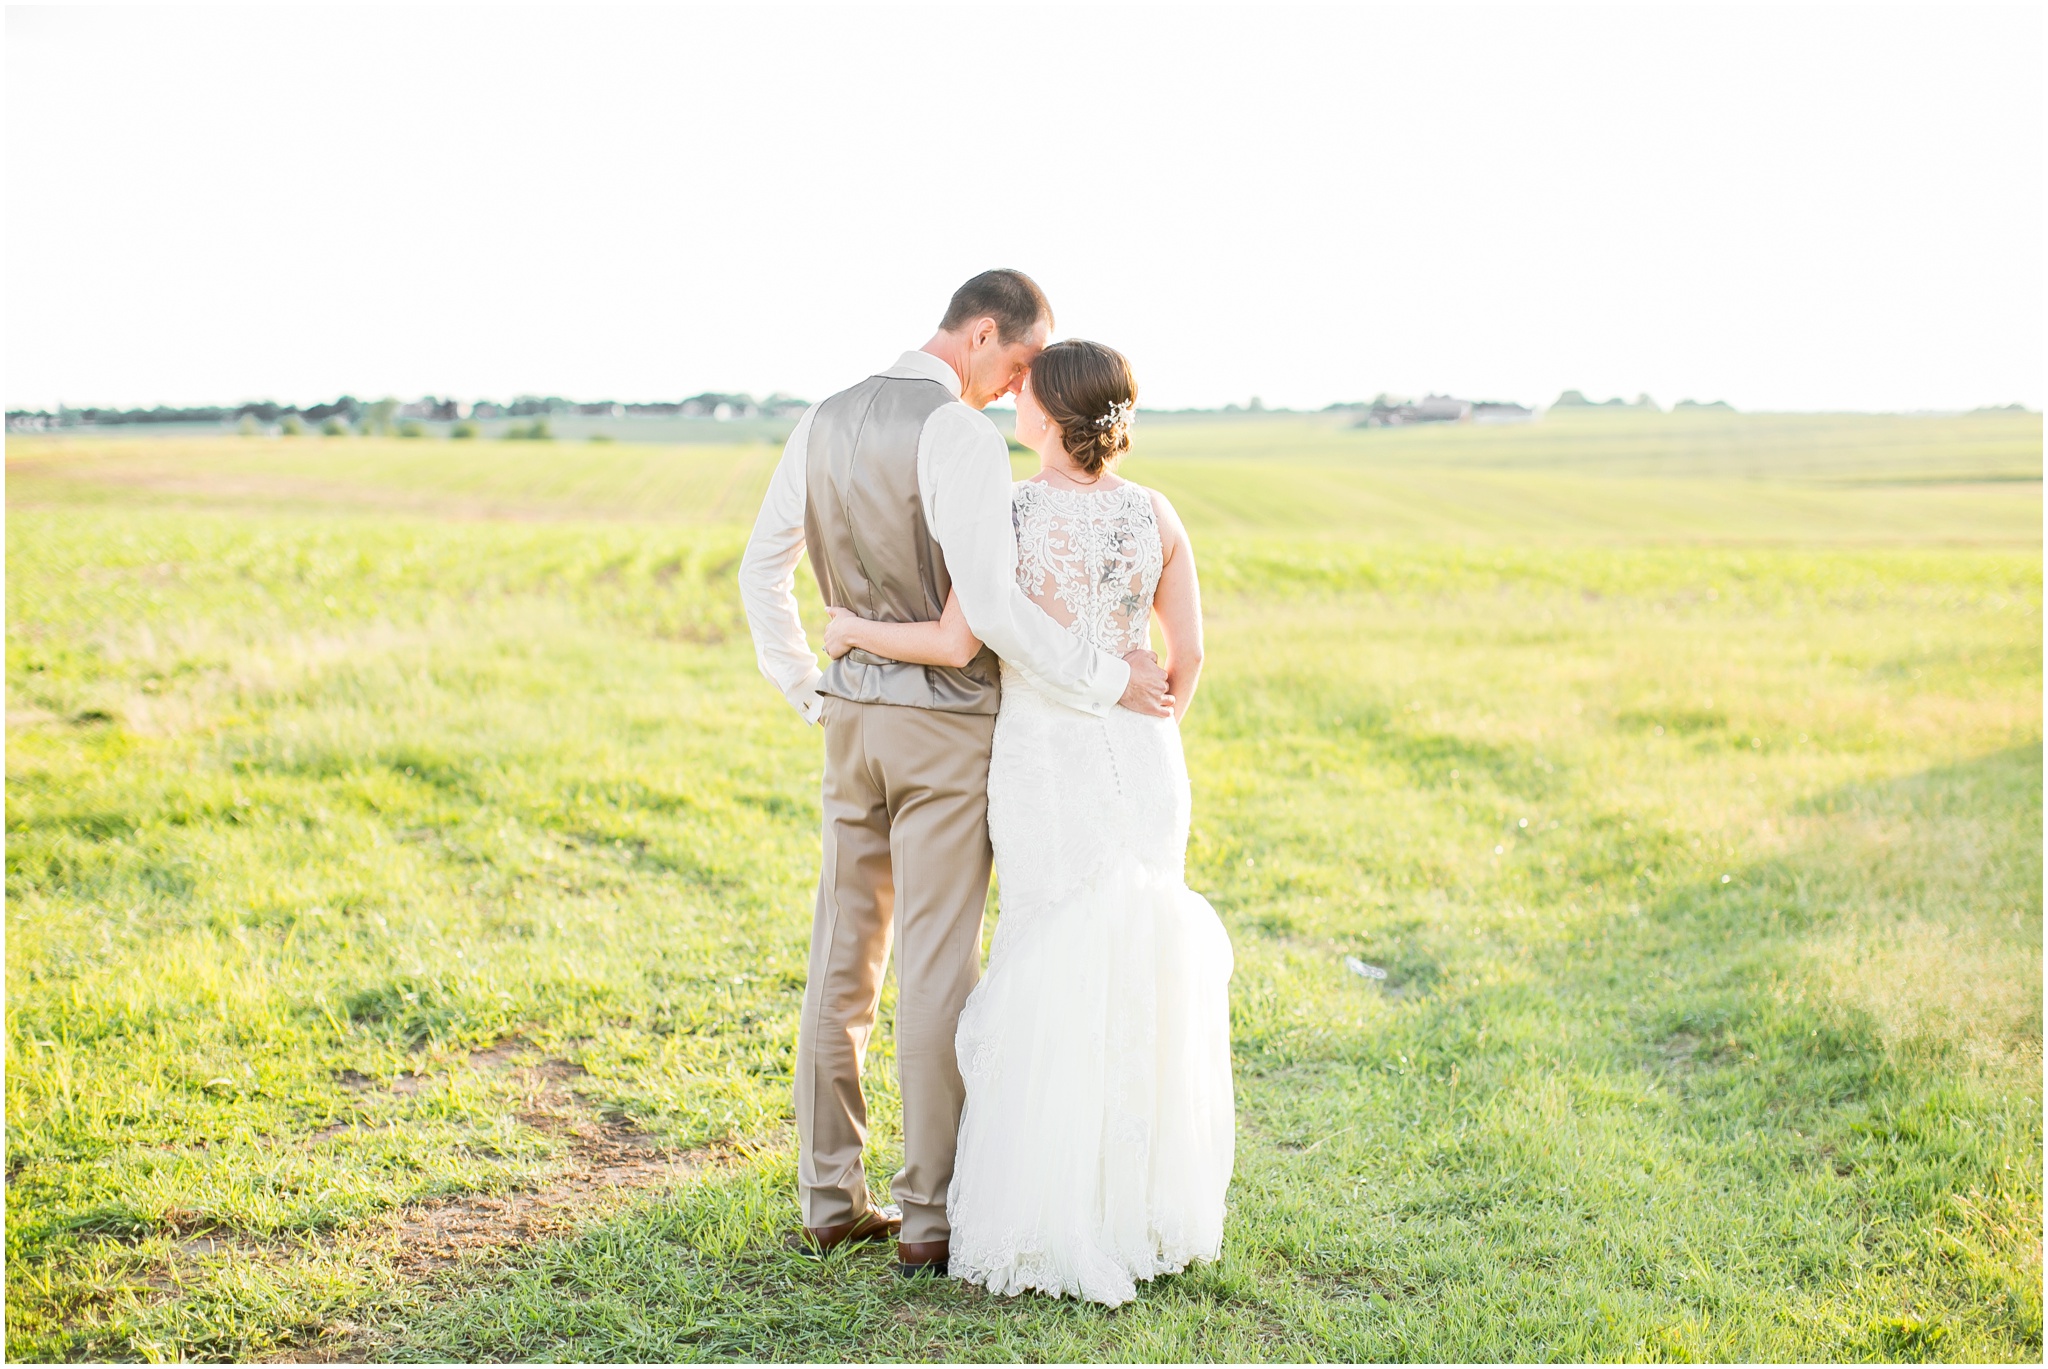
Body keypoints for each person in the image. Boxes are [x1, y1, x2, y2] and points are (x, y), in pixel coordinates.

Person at [738, 271, 1175, 1279]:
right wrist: (1108, 676)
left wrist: (807, 686)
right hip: (941, 733)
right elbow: (992, 612)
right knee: (936, 963)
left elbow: (761, 569)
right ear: (981, 334)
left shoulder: (821, 418)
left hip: (849, 723)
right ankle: (928, 1211)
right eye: (1018, 365)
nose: (1015, 389)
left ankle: (826, 1195)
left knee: (841, 955)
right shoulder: (958, 438)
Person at [821, 339, 1235, 1307]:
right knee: (1135, 959)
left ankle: (1046, 1212)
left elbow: (957, 639)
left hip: (1046, 762)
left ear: (1047, 418)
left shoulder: (1008, 511)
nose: (1011, 406)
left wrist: (848, 629)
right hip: (1144, 761)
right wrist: (1145, 709)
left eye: (1024, 399)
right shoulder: (1156, 515)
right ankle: (1135, 1207)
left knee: (1049, 951)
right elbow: (1188, 658)